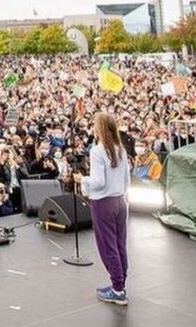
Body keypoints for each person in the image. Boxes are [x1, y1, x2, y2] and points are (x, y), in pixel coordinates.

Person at [74, 112, 130, 306]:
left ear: (100, 128)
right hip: (120, 201)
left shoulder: (98, 151)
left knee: (108, 246)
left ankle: (117, 289)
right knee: (120, 243)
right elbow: (126, 180)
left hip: (103, 203)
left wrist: (82, 180)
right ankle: (120, 284)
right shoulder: (120, 149)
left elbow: (98, 181)